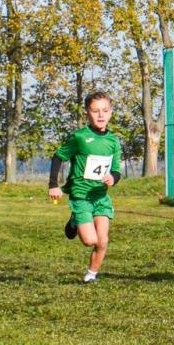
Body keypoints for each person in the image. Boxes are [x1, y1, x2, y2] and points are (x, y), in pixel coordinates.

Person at [49, 92, 123, 284]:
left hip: (100, 197)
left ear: (111, 113)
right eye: (95, 111)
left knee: (103, 241)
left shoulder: (113, 141)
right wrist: (53, 185)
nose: (100, 115)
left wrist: (113, 178)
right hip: (80, 196)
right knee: (90, 240)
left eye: (105, 111)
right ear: (87, 113)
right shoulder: (80, 137)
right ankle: (74, 220)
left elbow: (116, 169)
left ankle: (91, 275)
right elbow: (58, 156)